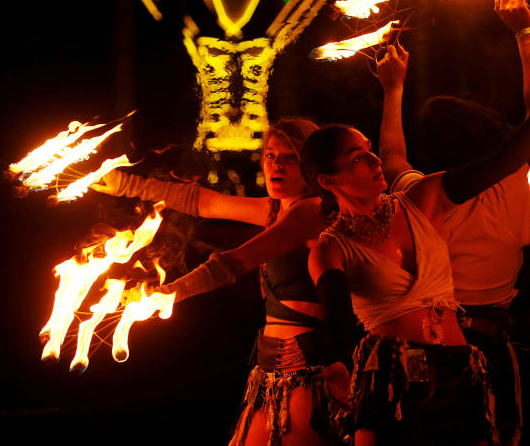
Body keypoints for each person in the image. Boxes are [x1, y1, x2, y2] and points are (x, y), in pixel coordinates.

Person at [302, 55, 530, 446]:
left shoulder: (423, 198)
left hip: (460, 369)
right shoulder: (331, 247)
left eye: (369, 149)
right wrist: (336, 365)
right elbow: (336, 322)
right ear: (328, 179)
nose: (372, 159)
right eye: (357, 158)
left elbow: (504, 160)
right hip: (390, 379)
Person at [93, 118, 353, 446]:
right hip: (272, 370)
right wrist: (119, 184)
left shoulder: (313, 212)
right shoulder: (277, 210)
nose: (277, 165)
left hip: (311, 372)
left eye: (290, 157)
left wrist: (164, 294)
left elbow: (233, 262)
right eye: (271, 155)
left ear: (312, 166)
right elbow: (204, 203)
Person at [374, 0, 530, 445]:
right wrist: (524, 31)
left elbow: (392, 156)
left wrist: (392, 88)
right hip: (469, 344)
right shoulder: (516, 178)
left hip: (436, 344)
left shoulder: (423, 194)